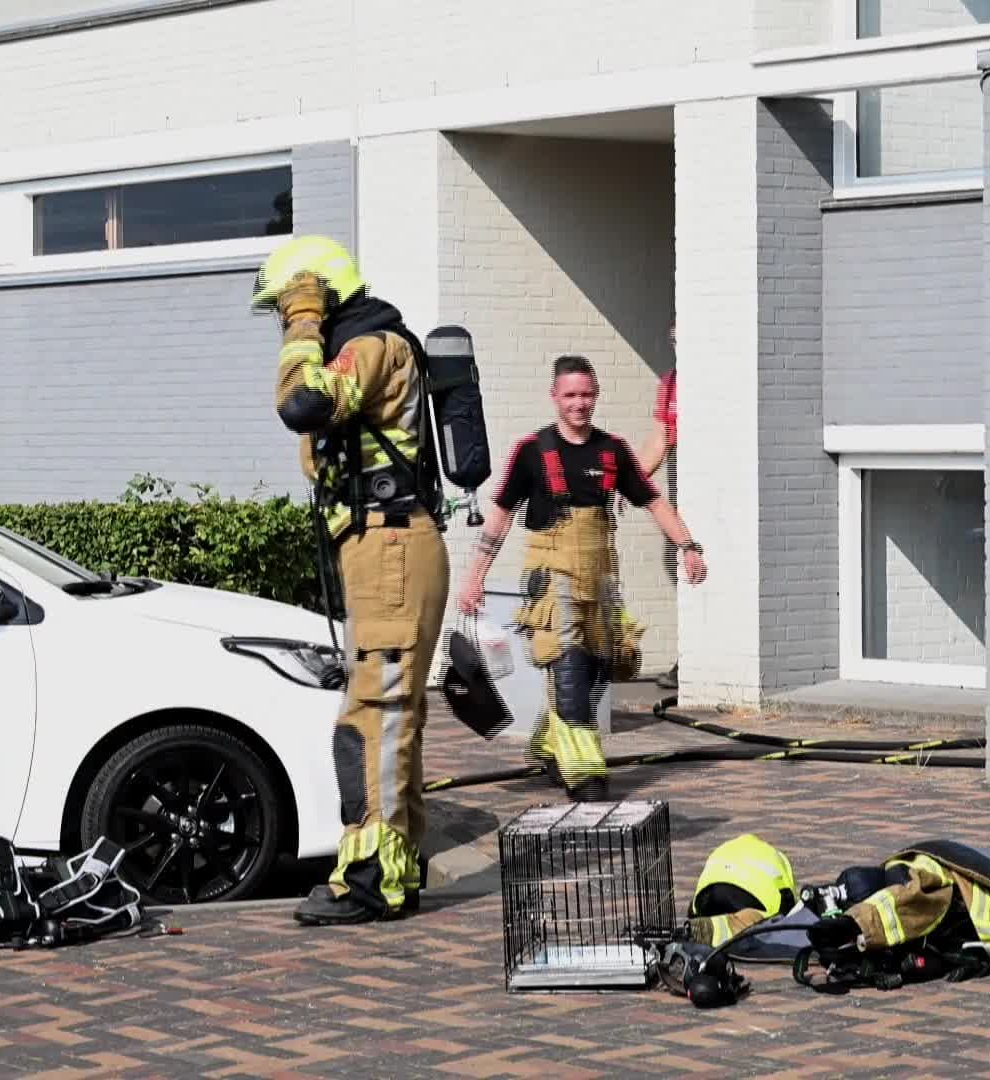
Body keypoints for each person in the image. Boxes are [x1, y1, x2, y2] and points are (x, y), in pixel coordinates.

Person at [253, 235, 450, 926]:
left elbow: (303, 403)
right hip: (384, 545)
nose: (285, 320)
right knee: (393, 713)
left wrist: (303, 324)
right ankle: (396, 864)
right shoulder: (370, 345)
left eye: (288, 307)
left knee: (374, 713)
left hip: (392, 544)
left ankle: (370, 878)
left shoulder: (369, 346)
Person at [456, 354, 707, 801]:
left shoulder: (613, 451)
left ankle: (549, 745)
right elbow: (500, 516)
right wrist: (474, 578)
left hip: (601, 585)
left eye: (586, 394)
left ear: (597, 396)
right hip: (553, 585)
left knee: (594, 677)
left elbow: (654, 503)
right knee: (569, 672)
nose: (579, 403)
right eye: (570, 395)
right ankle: (585, 773)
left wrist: (688, 548)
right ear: (554, 397)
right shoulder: (533, 451)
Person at [635, 318, 680, 690]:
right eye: (673, 333)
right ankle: (693, 655)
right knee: (683, 563)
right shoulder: (670, 382)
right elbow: (660, 439)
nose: (676, 339)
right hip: (683, 476)